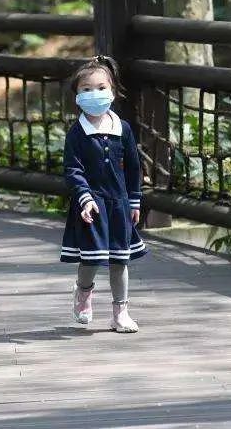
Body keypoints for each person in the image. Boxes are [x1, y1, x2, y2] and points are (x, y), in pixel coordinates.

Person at [61, 55, 146, 332]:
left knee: (120, 260)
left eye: (100, 87)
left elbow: (133, 167)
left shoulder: (123, 129)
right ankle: (83, 293)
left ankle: (120, 313)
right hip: (91, 204)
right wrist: (84, 198)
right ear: (77, 95)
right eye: (86, 89)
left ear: (113, 90)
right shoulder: (77, 133)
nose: (94, 94)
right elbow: (73, 170)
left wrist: (134, 201)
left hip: (119, 204)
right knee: (92, 258)